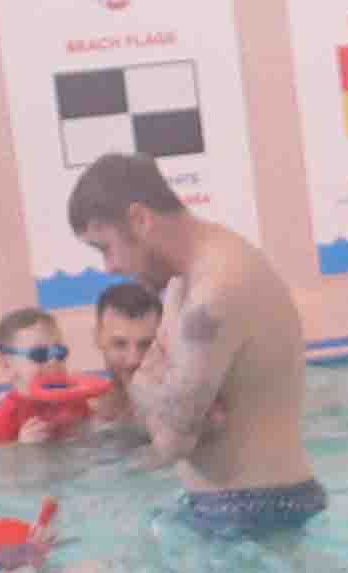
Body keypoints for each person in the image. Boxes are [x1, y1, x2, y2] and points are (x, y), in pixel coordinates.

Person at [67, 153, 321, 534]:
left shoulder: (214, 292)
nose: (109, 268)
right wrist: (165, 396)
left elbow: (171, 444)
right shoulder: (188, 277)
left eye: (105, 247)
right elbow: (172, 415)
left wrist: (142, 385)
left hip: (256, 510)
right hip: (241, 505)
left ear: (140, 219)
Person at [0, 307, 110, 445]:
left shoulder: (74, 399)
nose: (53, 361)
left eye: (60, 352)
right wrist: (22, 445)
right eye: (39, 354)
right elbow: (3, 460)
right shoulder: (4, 419)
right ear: (7, 365)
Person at [88, 282, 163, 431]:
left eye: (146, 345)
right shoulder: (84, 409)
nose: (133, 360)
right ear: (97, 337)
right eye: (120, 344)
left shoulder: (183, 409)